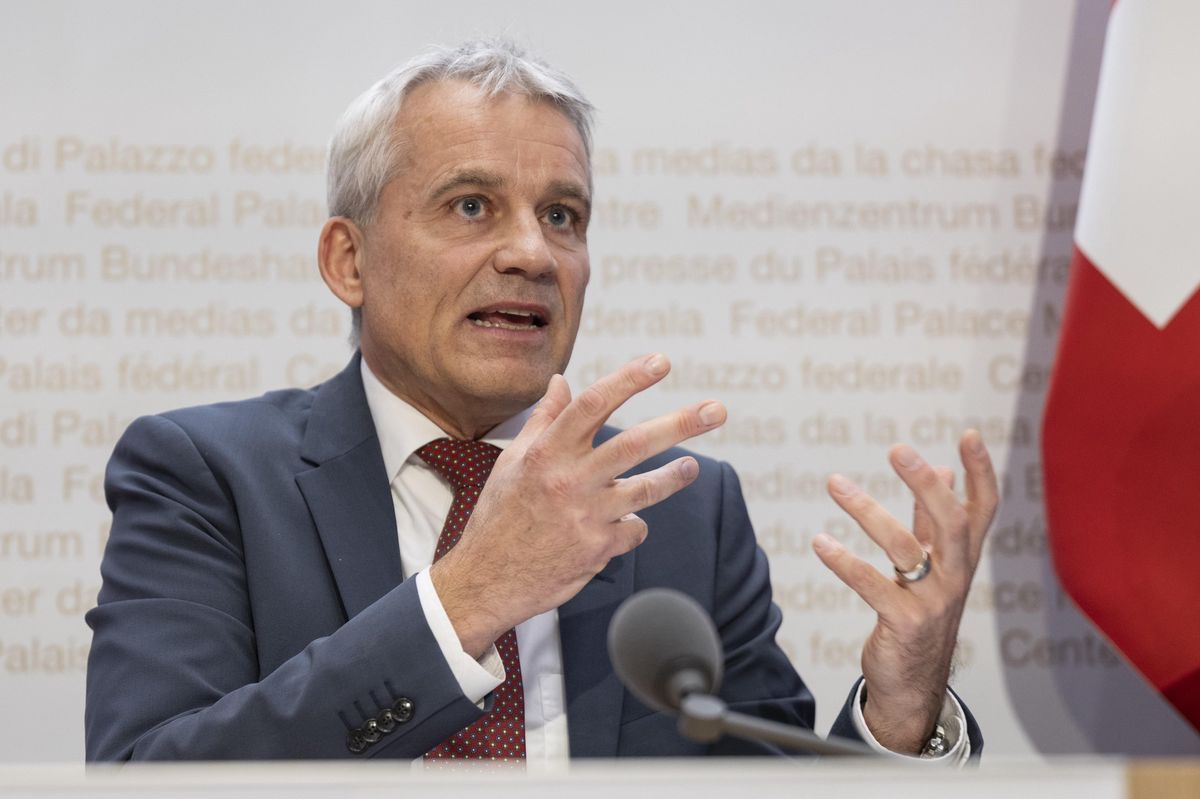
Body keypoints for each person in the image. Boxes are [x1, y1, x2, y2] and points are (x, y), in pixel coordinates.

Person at [85, 38, 997, 763]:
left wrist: (902, 701)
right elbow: (149, 777)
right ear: (348, 260)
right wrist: (470, 593)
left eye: (563, 215)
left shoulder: (682, 510)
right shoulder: (205, 476)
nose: (532, 252)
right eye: (472, 206)